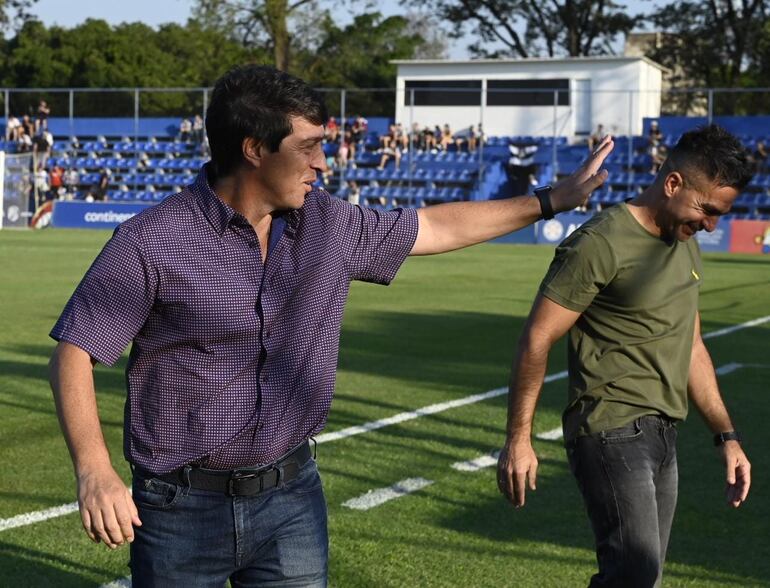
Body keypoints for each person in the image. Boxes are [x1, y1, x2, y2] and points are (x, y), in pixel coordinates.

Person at [48, 64, 613, 587]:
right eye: (310, 147)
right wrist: (95, 471)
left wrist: (553, 199)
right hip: (179, 508)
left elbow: (433, 228)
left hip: (291, 497)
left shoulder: (329, 223)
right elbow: (76, 350)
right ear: (254, 150)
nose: (324, 163)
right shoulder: (153, 241)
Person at [497, 125, 753, 587]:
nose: (712, 225)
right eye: (707, 210)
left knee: (643, 578)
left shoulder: (685, 244)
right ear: (673, 184)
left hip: (664, 434)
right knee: (633, 576)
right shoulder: (601, 241)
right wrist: (519, 438)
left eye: (720, 214)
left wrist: (726, 436)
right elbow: (537, 338)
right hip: (610, 429)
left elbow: (691, 346)